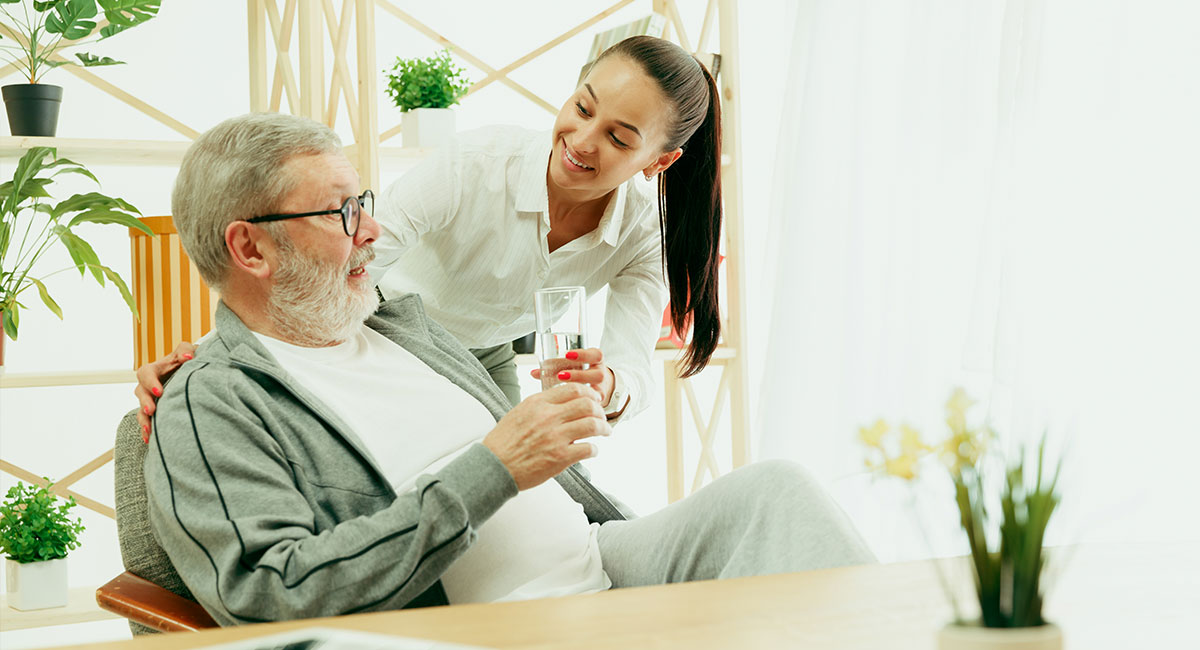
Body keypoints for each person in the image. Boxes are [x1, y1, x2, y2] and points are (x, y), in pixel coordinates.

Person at [144, 113, 873, 625]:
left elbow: (559, 437)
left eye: (363, 201)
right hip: (499, 624)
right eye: (341, 213)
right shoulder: (214, 404)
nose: (372, 228)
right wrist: (493, 467)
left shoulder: (404, 324)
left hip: (604, 563)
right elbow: (269, 593)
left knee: (779, 495)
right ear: (251, 250)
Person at [133, 35, 725, 439]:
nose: (583, 139)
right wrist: (208, 352)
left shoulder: (644, 235)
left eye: (620, 139)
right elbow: (356, 252)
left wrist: (611, 384)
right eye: (582, 107)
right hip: (387, 325)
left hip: (487, 357)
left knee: (557, 494)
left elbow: (633, 367)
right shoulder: (477, 163)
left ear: (660, 161)